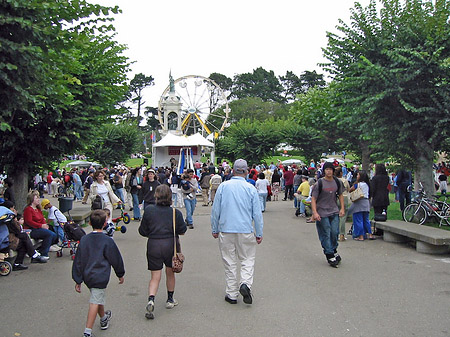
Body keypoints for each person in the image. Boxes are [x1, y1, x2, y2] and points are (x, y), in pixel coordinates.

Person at [211, 159, 263, 305]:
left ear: (232, 170)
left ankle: (232, 293)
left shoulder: (223, 187)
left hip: (226, 229)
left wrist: (214, 228)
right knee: (247, 259)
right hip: (245, 229)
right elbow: (257, 214)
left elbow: (216, 211)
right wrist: (259, 233)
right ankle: (245, 283)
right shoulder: (250, 188)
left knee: (229, 261)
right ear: (246, 172)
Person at [72, 210, 125, 337]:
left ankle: (103, 318)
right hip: (100, 275)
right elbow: (115, 258)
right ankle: (87, 331)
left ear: (90, 223)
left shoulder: (84, 240)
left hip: (87, 275)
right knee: (95, 300)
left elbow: (78, 260)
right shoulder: (107, 241)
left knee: (97, 295)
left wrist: (77, 279)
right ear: (105, 223)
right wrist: (120, 273)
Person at [138, 185, 187, 319]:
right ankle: (170, 299)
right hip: (170, 245)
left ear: (156, 196)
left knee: (155, 276)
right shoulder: (175, 213)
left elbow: (142, 231)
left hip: (153, 244)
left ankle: (151, 299)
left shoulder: (149, 210)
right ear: (170, 197)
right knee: (170, 273)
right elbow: (182, 230)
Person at [311, 162, 345, 268]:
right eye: (327, 169)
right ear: (324, 171)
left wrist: (342, 208)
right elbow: (313, 198)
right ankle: (329, 254)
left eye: (330, 169)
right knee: (326, 232)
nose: (329, 171)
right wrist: (315, 212)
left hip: (334, 210)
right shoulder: (319, 183)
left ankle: (333, 250)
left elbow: (340, 195)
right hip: (322, 212)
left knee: (334, 232)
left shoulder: (337, 182)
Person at [0, 201, 47, 270]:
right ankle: (32, 256)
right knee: (24, 239)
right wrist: (15, 220)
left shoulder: (5, 219)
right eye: (13, 209)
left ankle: (21, 262)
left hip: (10, 239)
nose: (14, 210)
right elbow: (17, 230)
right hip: (8, 241)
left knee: (24, 241)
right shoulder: (7, 220)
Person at [23, 191, 57, 259]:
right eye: (36, 198)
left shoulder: (38, 209)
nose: (38, 200)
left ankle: (41, 250)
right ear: (32, 200)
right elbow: (29, 221)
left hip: (39, 228)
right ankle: (44, 253)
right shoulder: (28, 209)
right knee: (49, 234)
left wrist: (45, 225)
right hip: (31, 229)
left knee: (54, 235)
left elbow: (42, 219)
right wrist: (41, 226)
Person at [349, 171, 375, 241]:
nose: (357, 176)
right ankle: (370, 234)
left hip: (359, 203)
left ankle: (361, 236)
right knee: (366, 220)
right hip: (366, 203)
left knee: (358, 220)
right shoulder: (367, 184)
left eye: (358, 175)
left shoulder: (358, 184)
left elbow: (350, 190)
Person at [335, 167, 351, 241]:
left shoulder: (334, 180)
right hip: (344, 197)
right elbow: (348, 189)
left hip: (335, 198)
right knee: (343, 217)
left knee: (336, 217)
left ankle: (335, 233)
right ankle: (341, 234)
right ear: (341, 173)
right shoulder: (344, 180)